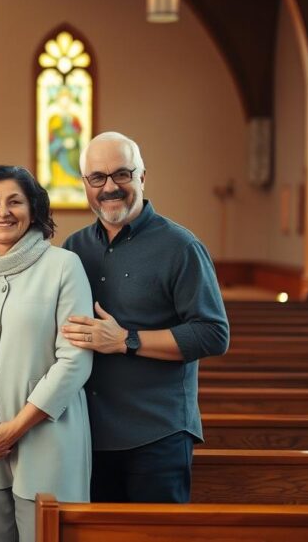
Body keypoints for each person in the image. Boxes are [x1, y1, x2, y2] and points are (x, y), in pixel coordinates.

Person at [61, 132, 230, 503]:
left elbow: (213, 334)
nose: (110, 187)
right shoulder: (74, 248)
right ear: (85, 184)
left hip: (157, 434)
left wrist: (125, 340)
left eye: (122, 174)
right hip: (88, 432)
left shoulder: (180, 246)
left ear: (142, 177)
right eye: (98, 177)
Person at [0, 165, 93, 541]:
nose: (3, 212)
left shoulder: (64, 266)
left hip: (47, 436)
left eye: (15, 201)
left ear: (34, 208)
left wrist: (16, 428)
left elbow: (75, 360)